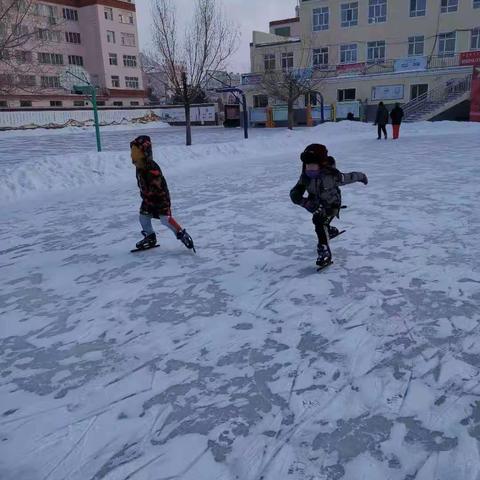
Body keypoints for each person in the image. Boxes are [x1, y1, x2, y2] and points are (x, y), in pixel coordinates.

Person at [290, 144, 368, 269]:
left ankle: (324, 251)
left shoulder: (332, 176)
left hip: (332, 204)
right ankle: (330, 231)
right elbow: (295, 193)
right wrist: (303, 200)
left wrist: (361, 176)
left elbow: (349, 177)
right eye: (307, 166)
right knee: (320, 221)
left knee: (319, 222)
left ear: (321, 165)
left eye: (313, 166)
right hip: (316, 205)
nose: (310, 169)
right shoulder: (305, 178)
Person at [131, 135, 195, 251]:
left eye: (136, 153)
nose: (132, 155)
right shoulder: (139, 166)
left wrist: (153, 199)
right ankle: (150, 237)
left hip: (160, 199)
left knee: (165, 219)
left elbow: (157, 189)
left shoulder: (151, 169)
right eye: (132, 152)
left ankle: (181, 234)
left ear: (144, 153)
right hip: (147, 199)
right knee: (143, 217)